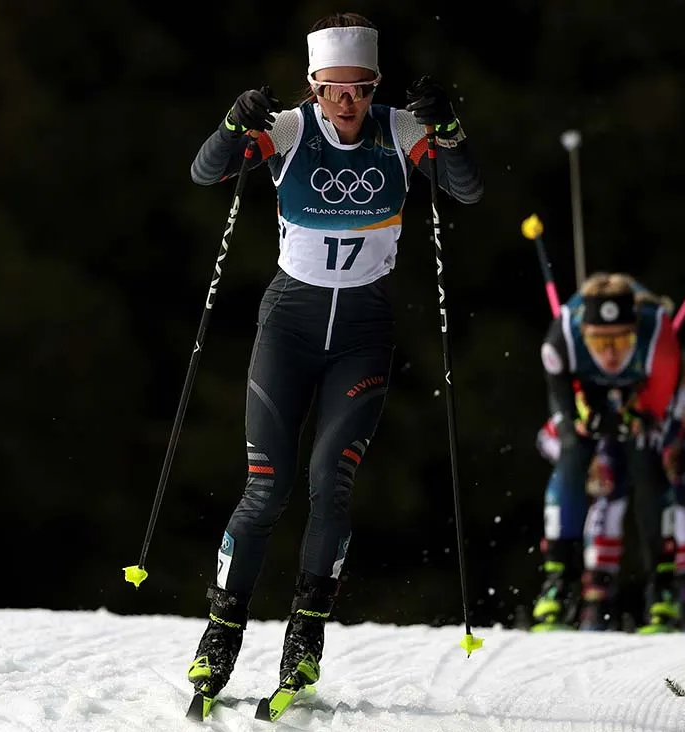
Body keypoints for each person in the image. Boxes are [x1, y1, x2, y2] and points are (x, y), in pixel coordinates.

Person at [184, 11, 483, 703]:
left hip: (362, 333)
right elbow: (206, 173)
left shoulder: (399, 130)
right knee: (265, 487)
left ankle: (305, 637)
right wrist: (232, 123)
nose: (347, 103)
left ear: (375, 85)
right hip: (288, 327)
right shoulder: (290, 129)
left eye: (360, 89)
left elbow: (466, 187)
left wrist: (448, 128)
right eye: (333, 89)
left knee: (330, 482)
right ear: (313, 86)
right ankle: (220, 635)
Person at [536, 352, 685, 631]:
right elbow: (548, 439)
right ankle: (596, 602)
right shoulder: (595, 395)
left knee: (675, 497)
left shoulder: (683, 397)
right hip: (613, 458)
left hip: (659, 462)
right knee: (608, 496)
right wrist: (586, 465)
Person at [532, 272, 681, 632]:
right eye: (599, 342)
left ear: (635, 333)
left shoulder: (659, 342)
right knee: (572, 455)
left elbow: (655, 409)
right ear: (584, 333)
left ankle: (662, 590)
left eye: (620, 339)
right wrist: (581, 417)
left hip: (638, 389)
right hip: (585, 390)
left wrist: (635, 416)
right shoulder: (561, 341)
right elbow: (563, 404)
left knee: (645, 460)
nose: (610, 353)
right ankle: (557, 584)